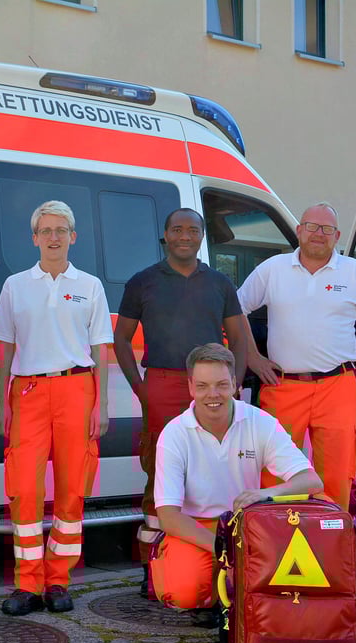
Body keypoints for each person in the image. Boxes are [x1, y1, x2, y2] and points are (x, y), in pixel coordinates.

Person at [113, 208, 249, 595]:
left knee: (211, 469)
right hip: (162, 384)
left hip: (210, 390)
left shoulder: (220, 283)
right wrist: (141, 388)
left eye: (192, 230)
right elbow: (121, 339)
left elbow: (238, 339)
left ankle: (208, 557)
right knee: (159, 475)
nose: (185, 236)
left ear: (202, 236)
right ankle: (153, 567)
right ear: (166, 236)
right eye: (177, 229)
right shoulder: (143, 282)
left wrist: (233, 381)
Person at [0, 200, 113, 616]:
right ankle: (27, 583)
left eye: (61, 230)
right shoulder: (15, 285)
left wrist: (103, 403)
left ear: (73, 236)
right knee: (24, 489)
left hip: (77, 389)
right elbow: (4, 348)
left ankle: (58, 580)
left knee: (72, 488)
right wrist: (0, 402)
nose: (54, 237)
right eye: (46, 230)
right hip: (26, 392)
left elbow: (101, 351)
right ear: (35, 238)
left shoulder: (91, 285)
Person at [237, 202, 356, 513]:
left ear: (337, 236)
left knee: (336, 475)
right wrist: (252, 356)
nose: (319, 234)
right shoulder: (273, 268)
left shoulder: (354, 272)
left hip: (338, 386)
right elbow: (235, 308)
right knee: (275, 473)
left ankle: (334, 546)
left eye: (327, 229)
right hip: (283, 386)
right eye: (312, 226)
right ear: (299, 231)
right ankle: (274, 544)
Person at [151, 343, 324, 616]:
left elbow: (312, 481)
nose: (213, 394)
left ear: (234, 384)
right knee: (183, 592)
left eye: (221, 384)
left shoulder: (260, 422)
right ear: (190, 388)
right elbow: (169, 517)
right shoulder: (174, 434)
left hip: (246, 526)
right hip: (196, 529)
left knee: (321, 505)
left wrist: (268, 494)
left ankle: (236, 591)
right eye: (203, 385)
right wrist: (224, 549)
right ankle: (219, 591)